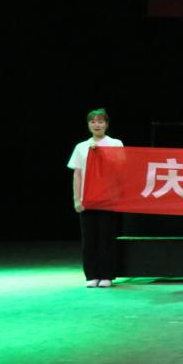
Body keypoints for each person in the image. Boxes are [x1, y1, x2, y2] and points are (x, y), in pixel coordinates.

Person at [68, 108, 124, 288]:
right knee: (89, 239)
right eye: (93, 121)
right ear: (88, 125)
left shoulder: (115, 143)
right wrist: (77, 199)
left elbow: (121, 168)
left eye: (100, 121)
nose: (96, 125)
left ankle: (107, 275)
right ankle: (91, 274)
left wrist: (102, 153)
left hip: (108, 199)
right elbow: (77, 174)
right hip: (88, 199)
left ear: (106, 124)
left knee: (106, 238)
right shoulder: (81, 147)